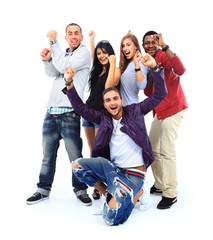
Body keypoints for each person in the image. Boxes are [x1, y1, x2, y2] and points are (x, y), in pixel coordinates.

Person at [63, 53, 167, 225]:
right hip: (113, 170)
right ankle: (108, 194)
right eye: (108, 100)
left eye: (115, 99)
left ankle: (139, 192)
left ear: (121, 100)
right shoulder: (103, 118)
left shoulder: (136, 111)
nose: (112, 102)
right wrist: (69, 82)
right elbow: (80, 108)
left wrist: (155, 67)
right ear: (104, 104)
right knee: (77, 166)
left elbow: (159, 94)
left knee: (111, 218)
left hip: (134, 174)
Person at [26, 23, 92, 206]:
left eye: (76, 33)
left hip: (70, 113)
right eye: (69, 33)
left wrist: (53, 41)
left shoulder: (84, 53)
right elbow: (54, 74)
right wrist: (47, 60)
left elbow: (65, 68)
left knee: (75, 157)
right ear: (66, 37)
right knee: (47, 156)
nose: (73, 36)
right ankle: (43, 190)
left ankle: (80, 190)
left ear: (81, 36)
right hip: (51, 112)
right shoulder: (65, 53)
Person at [142, 31, 188, 209]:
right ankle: (160, 185)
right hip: (159, 112)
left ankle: (171, 193)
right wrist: (148, 73)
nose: (150, 45)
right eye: (147, 42)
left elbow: (181, 70)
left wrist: (165, 46)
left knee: (167, 149)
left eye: (154, 41)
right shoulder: (147, 60)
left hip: (174, 108)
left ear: (158, 42)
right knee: (152, 146)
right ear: (143, 45)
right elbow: (148, 92)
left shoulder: (163, 55)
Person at [83, 31, 120, 200]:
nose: (101, 56)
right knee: (92, 151)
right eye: (99, 53)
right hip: (87, 112)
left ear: (110, 53)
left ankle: (105, 185)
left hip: (101, 116)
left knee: (100, 152)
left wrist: (112, 64)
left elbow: (107, 88)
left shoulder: (116, 70)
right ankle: (97, 186)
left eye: (105, 52)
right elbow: (93, 56)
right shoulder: (96, 69)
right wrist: (91, 41)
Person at [119, 34, 149, 106]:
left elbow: (142, 86)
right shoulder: (127, 65)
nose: (125, 48)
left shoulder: (141, 62)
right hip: (122, 110)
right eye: (123, 46)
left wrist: (136, 64)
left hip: (131, 110)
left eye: (128, 45)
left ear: (136, 46)